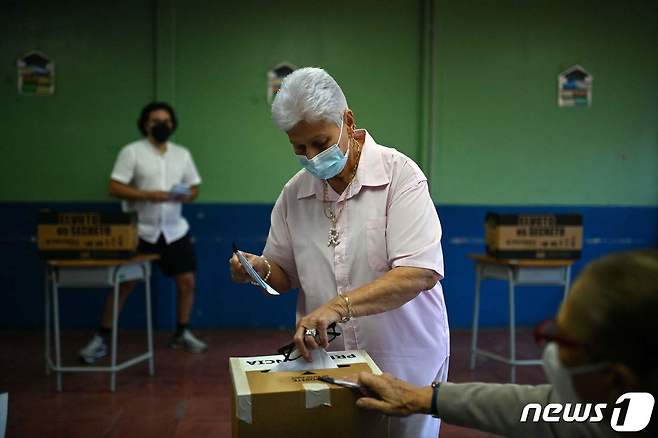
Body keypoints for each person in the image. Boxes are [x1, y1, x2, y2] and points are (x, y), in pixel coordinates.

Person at [229, 67, 450, 437]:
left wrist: (336, 306)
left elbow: (419, 272)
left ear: (348, 121)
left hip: (404, 361)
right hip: (330, 364)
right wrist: (259, 268)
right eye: (299, 148)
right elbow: (283, 275)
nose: (312, 157)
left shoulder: (400, 177)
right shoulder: (295, 194)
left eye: (320, 142)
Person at [354, 249, 658, 438]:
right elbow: (536, 409)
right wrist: (424, 398)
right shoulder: (621, 410)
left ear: (616, 379)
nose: (551, 352)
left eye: (559, 338)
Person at [79, 102, 207, 364]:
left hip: (173, 231)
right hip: (141, 231)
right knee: (123, 284)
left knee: (187, 282)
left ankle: (182, 332)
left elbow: (194, 190)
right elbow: (114, 187)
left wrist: (183, 195)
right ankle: (100, 339)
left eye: (166, 120)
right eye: (155, 120)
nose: (162, 125)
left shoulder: (182, 154)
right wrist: (148, 195)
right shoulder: (132, 152)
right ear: (145, 124)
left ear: (172, 124)